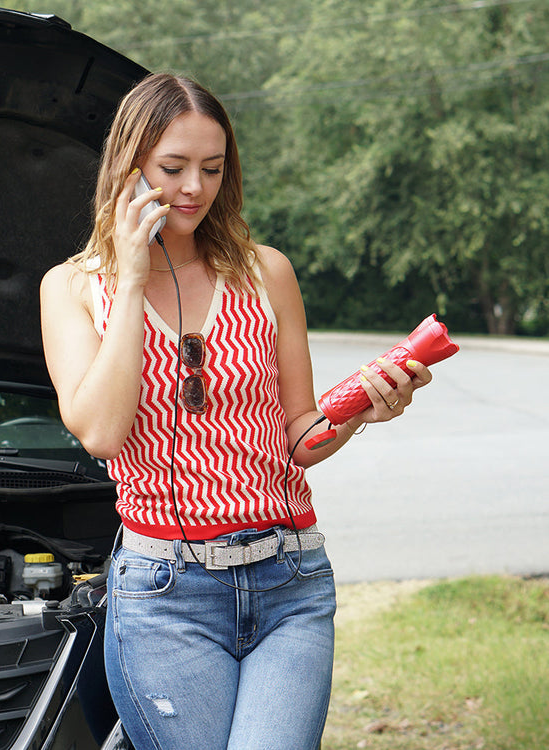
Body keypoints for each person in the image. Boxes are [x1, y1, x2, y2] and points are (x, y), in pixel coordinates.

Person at [40, 72, 432, 750]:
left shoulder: (265, 273)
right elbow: (102, 431)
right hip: (166, 595)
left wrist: (366, 409)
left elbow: (300, 437)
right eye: (173, 167)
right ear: (128, 167)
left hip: (290, 583)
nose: (194, 187)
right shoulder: (72, 287)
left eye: (212, 168)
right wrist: (131, 277)